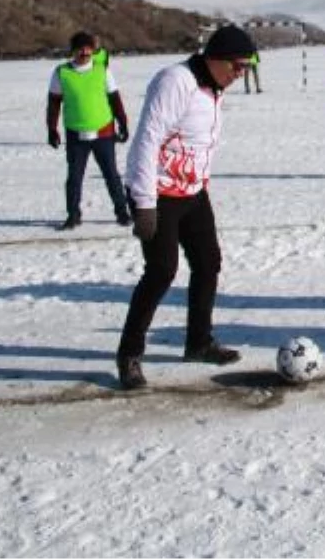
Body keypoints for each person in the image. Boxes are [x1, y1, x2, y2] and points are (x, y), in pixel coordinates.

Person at [115, 24, 257, 390]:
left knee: (208, 262)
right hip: (158, 193)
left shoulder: (213, 87)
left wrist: (199, 184)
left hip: (192, 192)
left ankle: (198, 342)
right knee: (161, 271)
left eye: (246, 67)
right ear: (215, 59)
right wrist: (144, 204)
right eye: (237, 66)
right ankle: (129, 355)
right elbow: (147, 139)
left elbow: (198, 143)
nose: (241, 73)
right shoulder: (176, 81)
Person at [46, 31, 131, 231]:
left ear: (93, 50)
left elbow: (114, 99)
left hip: (103, 132)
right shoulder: (61, 73)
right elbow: (54, 103)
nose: (84, 52)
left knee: (111, 175)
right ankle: (73, 215)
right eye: (80, 48)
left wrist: (123, 123)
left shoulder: (102, 70)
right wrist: (52, 129)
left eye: (88, 48)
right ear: (73, 51)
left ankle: (122, 213)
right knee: (74, 177)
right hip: (76, 134)